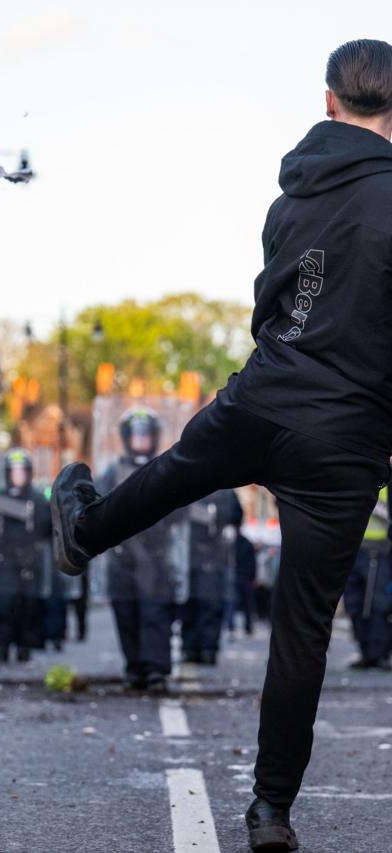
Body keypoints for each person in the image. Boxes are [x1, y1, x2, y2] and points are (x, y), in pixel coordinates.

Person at [51, 40, 392, 851]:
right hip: (347, 436)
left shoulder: (293, 198)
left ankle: (83, 531)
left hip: (267, 392)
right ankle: (271, 810)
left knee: (174, 470)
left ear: (329, 102)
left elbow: (272, 300)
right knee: (302, 630)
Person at [98, 407, 184, 692]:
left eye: (146, 434)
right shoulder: (112, 472)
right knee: (127, 613)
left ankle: (156, 670)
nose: (141, 440)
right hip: (122, 558)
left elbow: (180, 513)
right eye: (136, 435)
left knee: (155, 614)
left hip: (156, 559)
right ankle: (134, 668)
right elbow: (99, 510)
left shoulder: (165, 469)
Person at [0, 449, 53, 663]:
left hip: (32, 563)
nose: (18, 476)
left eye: (22, 471)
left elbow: (47, 529)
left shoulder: (39, 500)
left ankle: (25, 647)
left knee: (28, 607)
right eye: (14, 471)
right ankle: (2, 646)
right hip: (5, 563)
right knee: (5, 606)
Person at [182, 490, 242, 664]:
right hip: (212, 559)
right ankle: (205, 648)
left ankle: (192, 648)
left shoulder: (189, 481)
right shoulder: (226, 491)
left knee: (193, 606)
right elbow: (236, 519)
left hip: (196, 557)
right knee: (207, 606)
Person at [344, 486, 392, 670]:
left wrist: (364, 500)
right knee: (355, 604)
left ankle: (378, 653)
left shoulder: (385, 482)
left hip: (378, 551)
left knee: (377, 604)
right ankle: (365, 651)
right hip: (354, 549)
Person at [225, 507, 257, 638]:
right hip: (244, 576)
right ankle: (247, 627)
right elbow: (252, 562)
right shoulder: (247, 542)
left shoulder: (229, 542)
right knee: (246, 604)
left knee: (232, 602)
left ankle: (231, 626)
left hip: (236, 574)